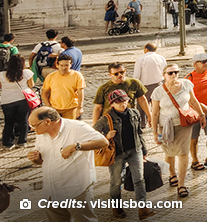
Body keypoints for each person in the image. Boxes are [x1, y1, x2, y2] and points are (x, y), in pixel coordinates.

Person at [26, 107, 110, 222]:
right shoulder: (41, 133)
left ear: (47, 121)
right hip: (51, 191)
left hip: (76, 189)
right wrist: (35, 159)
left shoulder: (77, 127)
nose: (32, 129)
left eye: (34, 125)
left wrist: (76, 146)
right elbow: (41, 161)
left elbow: (103, 142)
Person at [94, 90, 157, 219]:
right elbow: (93, 133)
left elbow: (139, 132)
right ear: (112, 104)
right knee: (116, 181)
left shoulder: (134, 113)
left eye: (125, 101)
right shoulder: (106, 119)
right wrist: (106, 136)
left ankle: (143, 208)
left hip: (135, 150)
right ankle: (117, 207)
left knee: (139, 179)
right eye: (119, 102)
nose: (123, 104)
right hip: (117, 154)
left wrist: (144, 150)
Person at [151, 63, 207, 198]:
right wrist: (155, 132)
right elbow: (154, 114)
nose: (174, 75)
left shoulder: (187, 84)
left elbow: (194, 101)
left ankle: (181, 184)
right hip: (165, 126)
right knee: (169, 153)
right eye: (170, 73)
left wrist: (201, 115)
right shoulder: (158, 91)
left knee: (183, 153)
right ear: (164, 75)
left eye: (176, 72)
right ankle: (172, 174)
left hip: (184, 124)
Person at [92, 62, 153, 129]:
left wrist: (149, 115)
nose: (119, 75)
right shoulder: (103, 88)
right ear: (110, 75)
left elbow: (142, 99)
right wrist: (95, 126)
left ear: (125, 70)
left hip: (128, 119)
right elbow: (98, 108)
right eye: (116, 74)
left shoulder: (134, 83)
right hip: (110, 122)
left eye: (122, 72)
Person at [2, 55, 34, 148]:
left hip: (6, 100)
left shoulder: (2, 74)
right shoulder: (27, 73)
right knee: (23, 120)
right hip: (22, 99)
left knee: (8, 121)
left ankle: (7, 142)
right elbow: (31, 85)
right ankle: (22, 141)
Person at [42, 54, 85, 120]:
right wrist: (49, 106)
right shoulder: (51, 77)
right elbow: (44, 92)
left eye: (66, 65)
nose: (64, 67)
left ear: (71, 65)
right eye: (61, 65)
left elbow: (80, 92)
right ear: (57, 65)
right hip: (55, 109)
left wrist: (80, 107)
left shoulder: (77, 76)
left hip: (71, 108)